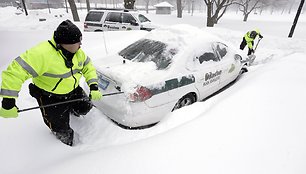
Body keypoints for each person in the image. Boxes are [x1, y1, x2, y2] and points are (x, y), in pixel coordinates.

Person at [0, 20, 102, 146]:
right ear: (65, 43)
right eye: (78, 41)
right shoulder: (42, 54)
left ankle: (73, 110)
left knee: (86, 108)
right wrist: (8, 101)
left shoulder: (78, 53)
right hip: (50, 97)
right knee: (61, 129)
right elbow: (15, 72)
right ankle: (65, 149)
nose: (81, 44)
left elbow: (88, 67)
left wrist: (93, 86)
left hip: (73, 90)